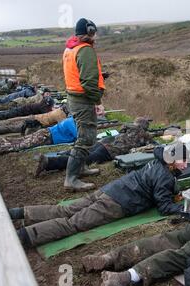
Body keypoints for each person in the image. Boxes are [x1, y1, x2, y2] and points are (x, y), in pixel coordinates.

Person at [9, 143, 188, 248]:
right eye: (183, 159)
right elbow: (164, 207)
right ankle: (24, 236)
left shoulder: (158, 162)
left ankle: (19, 213)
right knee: (73, 224)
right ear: (171, 161)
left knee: (65, 209)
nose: (186, 164)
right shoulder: (165, 176)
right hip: (117, 203)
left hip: (110, 190)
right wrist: (186, 206)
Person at [63, 18, 106, 192]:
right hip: (83, 100)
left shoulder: (70, 48)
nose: (95, 36)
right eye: (93, 32)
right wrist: (98, 101)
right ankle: (71, 179)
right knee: (86, 138)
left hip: (74, 97)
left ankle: (80, 169)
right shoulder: (85, 50)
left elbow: (77, 73)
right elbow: (88, 83)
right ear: (89, 32)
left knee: (83, 134)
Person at [34, 117, 154, 176]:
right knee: (85, 160)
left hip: (103, 142)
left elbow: (123, 128)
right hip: (111, 151)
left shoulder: (127, 127)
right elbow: (154, 146)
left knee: (82, 153)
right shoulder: (145, 135)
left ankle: (63, 154)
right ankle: (49, 162)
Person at [0, 116, 77, 157]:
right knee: (19, 146)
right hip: (46, 136)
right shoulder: (71, 122)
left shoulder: (71, 120)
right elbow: (81, 137)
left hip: (45, 134)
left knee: (18, 141)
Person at [0, 104, 68, 136]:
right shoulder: (61, 115)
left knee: (10, 121)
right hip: (34, 123)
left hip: (33, 117)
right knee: (10, 127)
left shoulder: (59, 110)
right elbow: (63, 128)